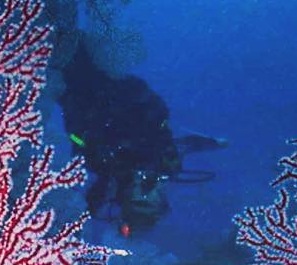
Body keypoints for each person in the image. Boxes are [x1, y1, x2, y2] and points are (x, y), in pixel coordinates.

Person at [59, 43, 224, 230]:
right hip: (117, 85)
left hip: (80, 93)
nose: (144, 194)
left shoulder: (106, 170)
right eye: (150, 202)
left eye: (138, 202)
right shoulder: (167, 162)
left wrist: (91, 139)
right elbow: (186, 142)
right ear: (161, 200)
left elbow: (75, 136)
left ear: (125, 201)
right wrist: (214, 143)